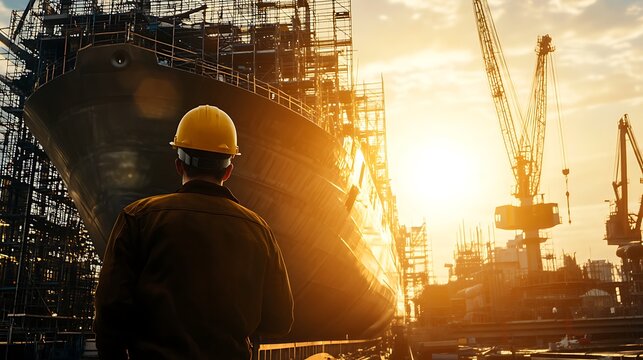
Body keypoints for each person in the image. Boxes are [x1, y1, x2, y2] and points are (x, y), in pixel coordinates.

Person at [94, 105, 294, 359]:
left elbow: (110, 313)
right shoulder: (259, 230)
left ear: (179, 165)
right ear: (228, 170)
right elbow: (280, 321)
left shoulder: (137, 217)